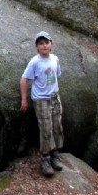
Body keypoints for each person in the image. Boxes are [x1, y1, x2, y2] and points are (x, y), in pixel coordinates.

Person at [20, 30, 64, 177]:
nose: (44, 46)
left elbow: (55, 76)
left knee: (57, 126)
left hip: (54, 97)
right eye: (41, 43)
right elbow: (24, 79)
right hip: (41, 99)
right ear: (37, 46)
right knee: (46, 129)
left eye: (46, 43)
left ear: (51, 45)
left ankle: (54, 154)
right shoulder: (35, 62)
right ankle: (45, 158)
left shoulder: (55, 59)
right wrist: (24, 100)